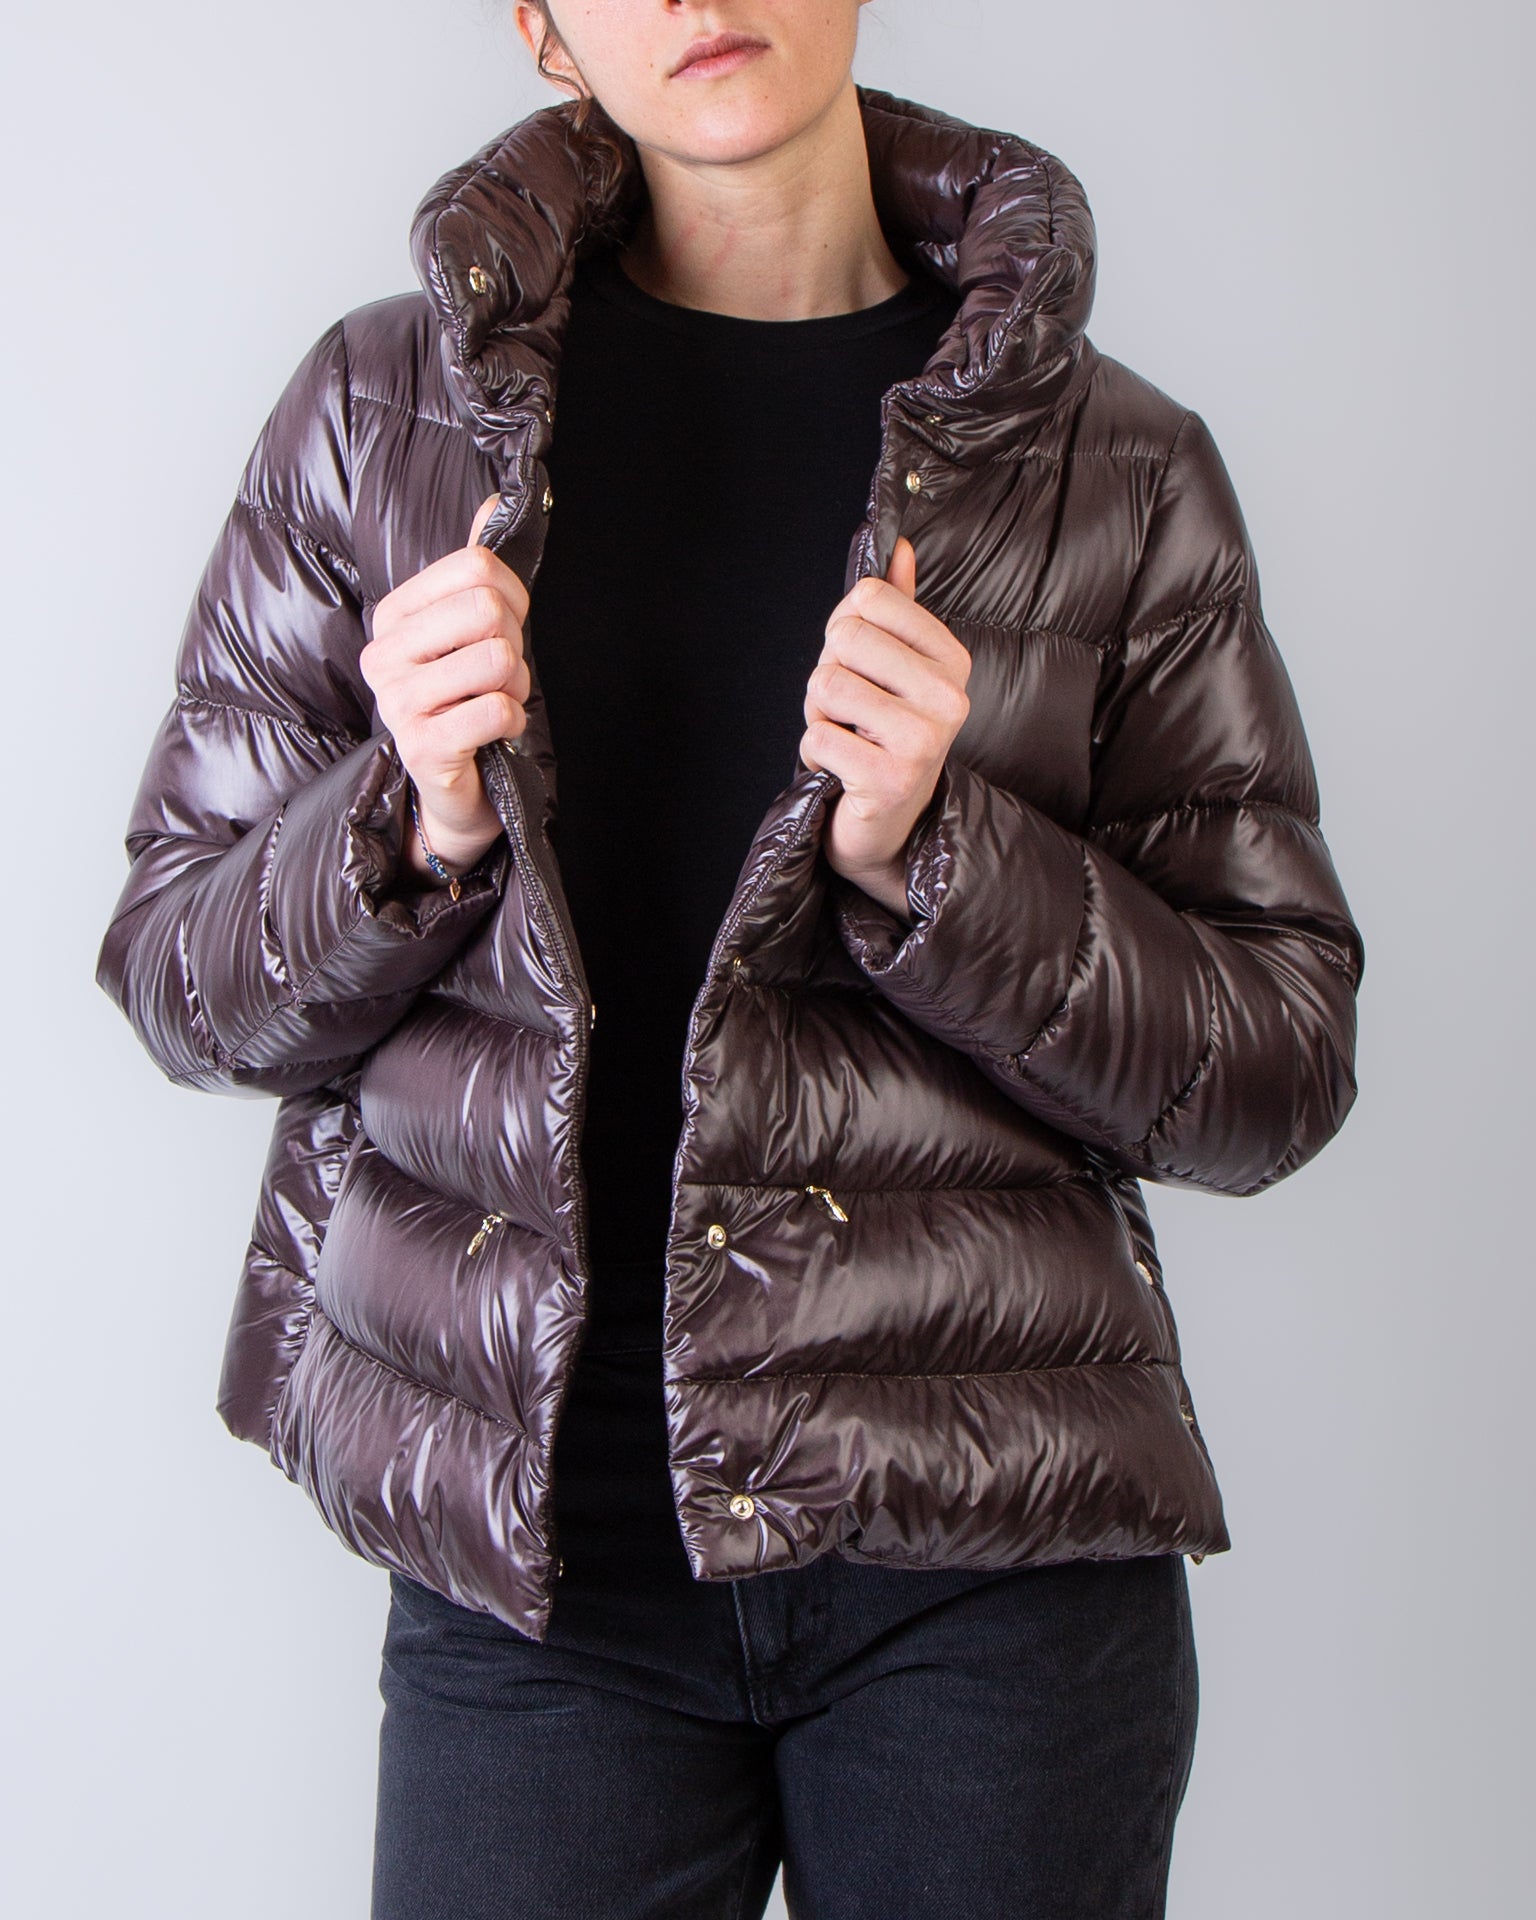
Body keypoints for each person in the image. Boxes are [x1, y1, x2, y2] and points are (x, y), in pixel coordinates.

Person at [95, 3, 1364, 1915]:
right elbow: (179, 977)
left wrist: (938, 856)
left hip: (993, 1566)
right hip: (546, 1578)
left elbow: (1277, 1062)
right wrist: (406, 824)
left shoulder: (1114, 464)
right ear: (540, 24)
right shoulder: (380, 417)